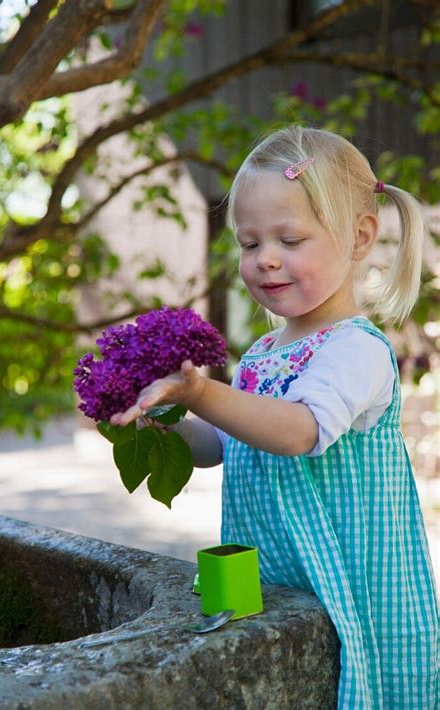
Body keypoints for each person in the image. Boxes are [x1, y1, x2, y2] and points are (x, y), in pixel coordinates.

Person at [111, 126, 438, 708]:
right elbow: (222, 443)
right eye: (248, 242)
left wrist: (203, 394)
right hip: (278, 581)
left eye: (290, 239)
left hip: (358, 590)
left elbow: (297, 431)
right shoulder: (263, 354)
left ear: (360, 237)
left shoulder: (355, 350)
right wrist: (156, 418)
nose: (265, 259)